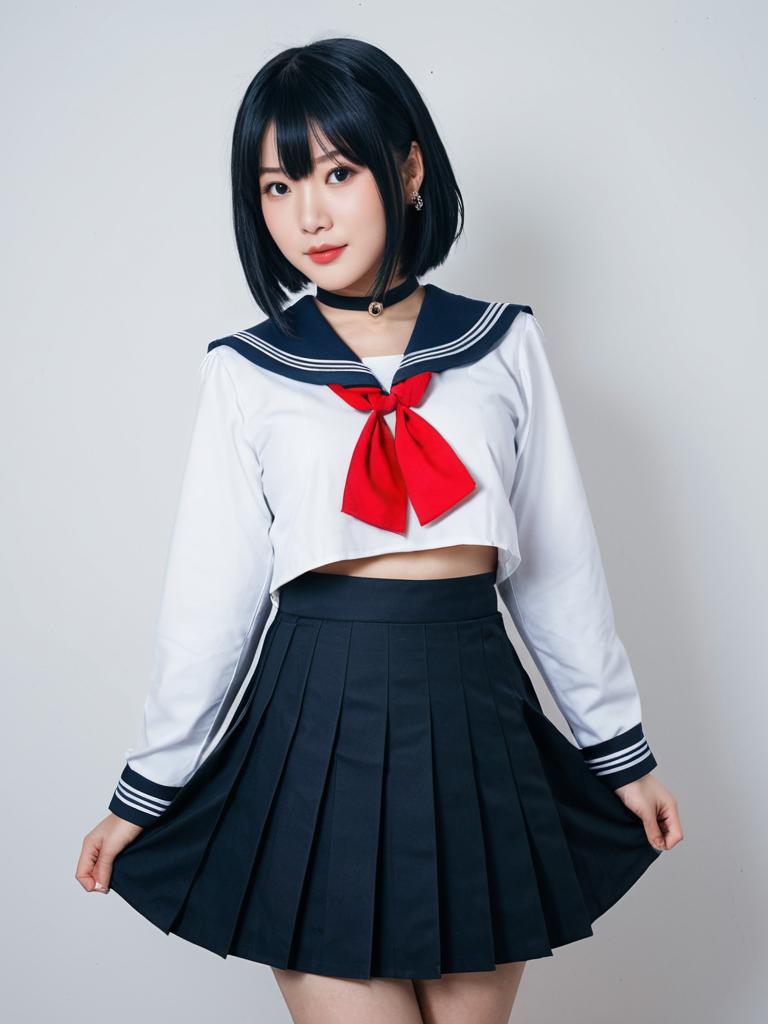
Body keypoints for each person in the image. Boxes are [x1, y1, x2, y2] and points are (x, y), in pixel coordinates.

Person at [76, 36, 683, 1024]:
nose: (306, 213)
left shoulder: (503, 345)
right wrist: (146, 788)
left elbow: (558, 568)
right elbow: (211, 601)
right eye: (276, 186)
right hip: (314, 720)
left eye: (336, 171)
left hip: (476, 717)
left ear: (406, 169)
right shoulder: (245, 372)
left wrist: (620, 750)